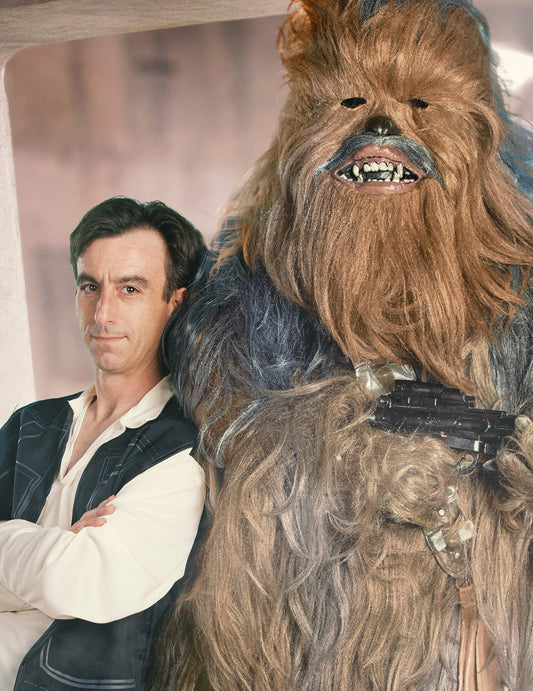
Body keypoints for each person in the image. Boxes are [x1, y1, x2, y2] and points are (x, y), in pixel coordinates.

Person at [0, 196, 206, 690]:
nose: (103, 312)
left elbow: (74, 581)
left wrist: (22, 551)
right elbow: (56, 572)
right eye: (90, 286)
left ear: (175, 303)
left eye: (130, 289)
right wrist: (54, 545)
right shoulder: (31, 424)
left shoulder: (182, 451)